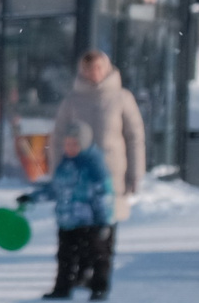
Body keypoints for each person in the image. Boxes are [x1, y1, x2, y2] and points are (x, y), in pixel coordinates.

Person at [48, 49, 145, 231]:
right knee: (78, 231)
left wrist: (135, 173)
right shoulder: (72, 101)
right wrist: (57, 171)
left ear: (107, 68)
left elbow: (135, 138)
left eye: (98, 68)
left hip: (111, 173)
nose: (94, 73)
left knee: (105, 230)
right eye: (88, 69)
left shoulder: (122, 98)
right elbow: (57, 138)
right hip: (77, 176)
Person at [20, 126, 116, 300]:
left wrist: (104, 222)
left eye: (74, 144)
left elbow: (104, 194)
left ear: (84, 144)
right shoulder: (65, 164)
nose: (69, 148)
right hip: (67, 221)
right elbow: (55, 189)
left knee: (96, 256)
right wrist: (32, 197)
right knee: (65, 257)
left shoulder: (94, 165)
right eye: (67, 144)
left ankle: (99, 288)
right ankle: (63, 288)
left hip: (89, 222)